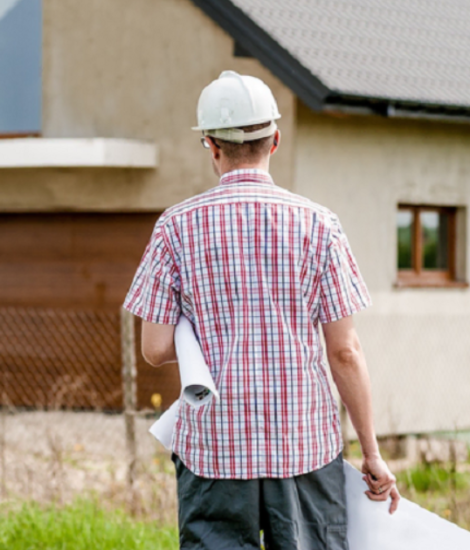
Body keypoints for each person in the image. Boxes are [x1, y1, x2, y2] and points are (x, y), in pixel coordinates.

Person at [124, 70, 399, 550]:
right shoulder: (320, 225)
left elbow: (154, 347)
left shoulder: (175, 227)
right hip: (304, 447)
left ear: (211, 146)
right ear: (275, 140)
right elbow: (345, 352)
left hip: (213, 452)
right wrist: (371, 452)